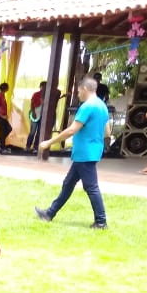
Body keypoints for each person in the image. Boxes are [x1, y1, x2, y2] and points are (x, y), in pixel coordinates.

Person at [35, 76, 111, 229]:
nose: (78, 94)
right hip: (91, 151)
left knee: (91, 187)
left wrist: (49, 142)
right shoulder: (102, 106)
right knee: (68, 183)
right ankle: (49, 213)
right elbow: (107, 132)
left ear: (85, 89)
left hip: (85, 153)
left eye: (78, 91)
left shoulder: (87, 106)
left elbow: (72, 130)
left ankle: (101, 221)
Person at [26, 81, 47, 152]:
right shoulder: (36, 94)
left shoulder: (47, 95)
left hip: (42, 116)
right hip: (35, 114)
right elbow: (32, 104)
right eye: (43, 86)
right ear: (40, 87)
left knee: (39, 132)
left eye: (46, 86)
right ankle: (28, 146)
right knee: (32, 131)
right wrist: (33, 112)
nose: (44, 88)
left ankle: (35, 147)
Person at [0, 81, 12, 153]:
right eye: (7, 87)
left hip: (3, 116)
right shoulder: (0, 95)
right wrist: (1, 116)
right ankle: (2, 147)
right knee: (3, 132)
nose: (8, 88)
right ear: (5, 88)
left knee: (9, 129)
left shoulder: (3, 95)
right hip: (1, 117)